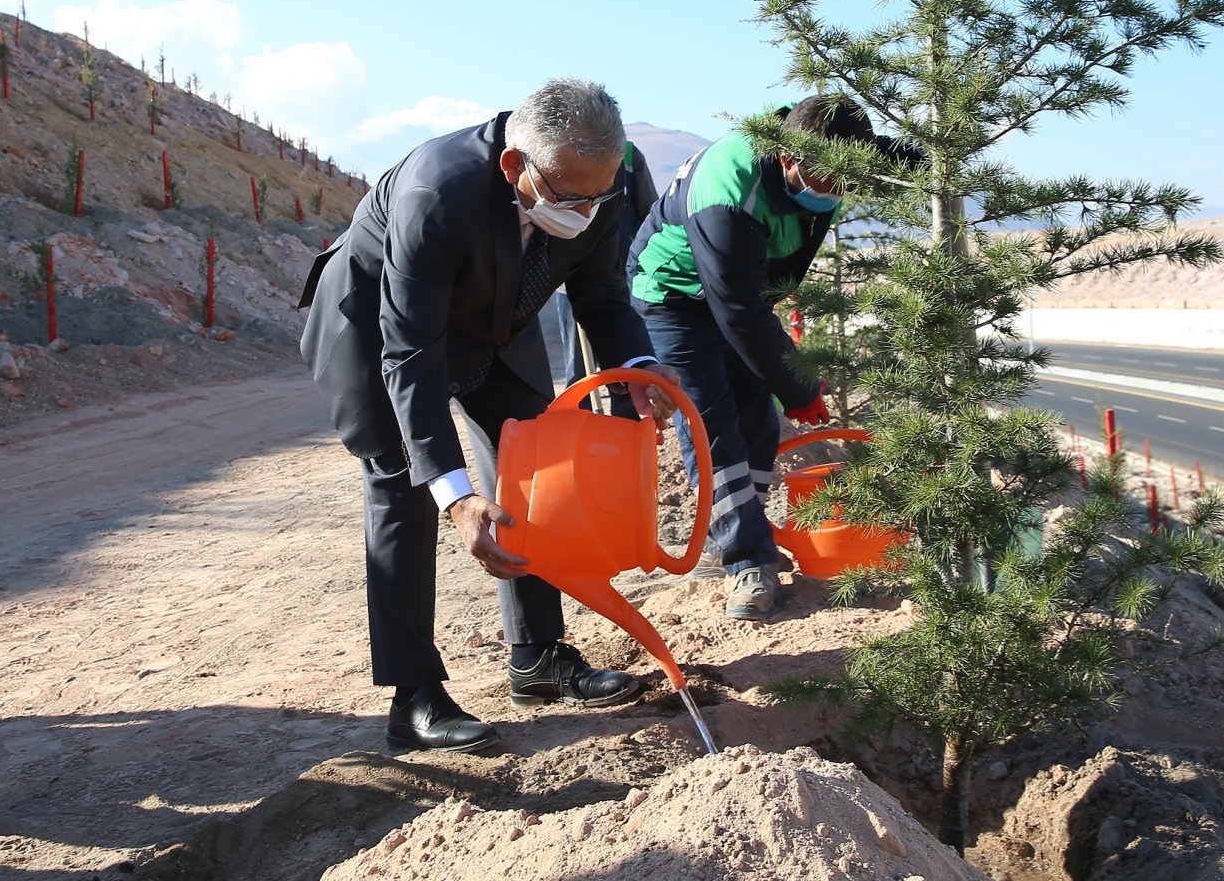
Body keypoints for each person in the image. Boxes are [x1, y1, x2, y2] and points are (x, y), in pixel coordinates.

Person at [298, 78, 681, 753]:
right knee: (404, 486)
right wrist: (455, 496)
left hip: (497, 320)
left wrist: (641, 372)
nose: (589, 211)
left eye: (601, 195)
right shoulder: (436, 192)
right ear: (515, 166)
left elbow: (604, 297)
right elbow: (410, 353)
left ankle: (537, 658)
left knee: (535, 460)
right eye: (571, 198)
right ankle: (414, 696)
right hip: (377, 332)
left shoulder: (603, 178)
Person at [629, 95, 910, 620]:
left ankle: (743, 538)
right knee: (712, 424)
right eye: (829, 182)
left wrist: (942, 161)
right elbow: (736, 312)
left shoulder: (830, 148)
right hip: (675, 293)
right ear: (788, 160)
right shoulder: (730, 187)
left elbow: (905, 158)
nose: (839, 192)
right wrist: (798, 386)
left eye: (849, 179)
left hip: (743, 295)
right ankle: (747, 563)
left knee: (757, 421)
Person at [546, 137, 658, 412]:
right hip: (568, 275)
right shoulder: (556, 150)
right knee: (578, 360)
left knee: (622, 350)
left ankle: (625, 427)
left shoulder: (628, 156)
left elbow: (648, 212)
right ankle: (577, 422)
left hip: (619, 276)